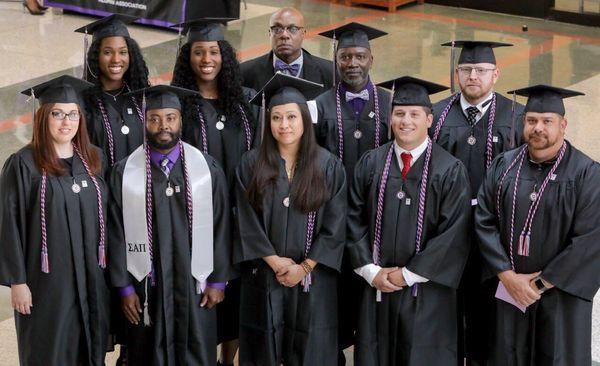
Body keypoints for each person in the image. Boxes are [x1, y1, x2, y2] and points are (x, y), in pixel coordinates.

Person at [348, 76, 471, 365]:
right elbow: (351, 217)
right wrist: (369, 270)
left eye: (415, 114)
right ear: (390, 119)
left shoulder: (450, 170)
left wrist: (407, 274)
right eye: (399, 113)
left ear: (429, 119)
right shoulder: (371, 162)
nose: (406, 121)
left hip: (426, 291)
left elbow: (454, 233)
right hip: (376, 286)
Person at [107, 85, 234, 365]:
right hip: (147, 287)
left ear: (180, 120)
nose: (163, 126)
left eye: (170, 118)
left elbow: (222, 226)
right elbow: (115, 233)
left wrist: (218, 280)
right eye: (154, 119)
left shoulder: (205, 170)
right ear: (145, 121)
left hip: (195, 284)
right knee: (146, 353)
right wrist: (125, 289)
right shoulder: (125, 173)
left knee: (196, 351)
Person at [475, 85, 600, 366]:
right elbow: (484, 220)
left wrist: (539, 284)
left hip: (559, 295)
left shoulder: (587, 173)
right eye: (532, 121)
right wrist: (507, 276)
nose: (538, 128)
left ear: (563, 125)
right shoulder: (503, 166)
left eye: (547, 121)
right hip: (508, 291)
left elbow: (591, 240)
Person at [235, 73, 346, 365]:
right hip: (265, 275)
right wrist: (274, 261)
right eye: (276, 118)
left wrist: (305, 267)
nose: (284, 125)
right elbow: (245, 219)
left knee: (311, 348)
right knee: (264, 346)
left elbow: (335, 225)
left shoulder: (328, 166)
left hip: (312, 279)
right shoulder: (251, 164)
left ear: (305, 120)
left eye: (291, 117)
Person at [0, 75, 110, 365]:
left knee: (88, 345)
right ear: (43, 118)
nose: (66, 122)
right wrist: (18, 282)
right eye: (57, 114)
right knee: (49, 347)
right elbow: (9, 223)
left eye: (72, 114)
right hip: (46, 281)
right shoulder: (23, 164)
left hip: (90, 277)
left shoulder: (94, 160)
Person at [170, 17, 260, 366]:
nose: (207, 59)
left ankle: (229, 360)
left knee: (237, 295)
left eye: (214, 51)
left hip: (240, 215)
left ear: (225, 56)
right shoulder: (180, 106)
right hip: (196, 219)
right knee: (205, 291)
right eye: (198, 52)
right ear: (187, 58)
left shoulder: (244, 105)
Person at [430, 40, 525, 365]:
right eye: (466, 69)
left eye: (481, 70)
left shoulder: (517, 115)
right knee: (447, 300)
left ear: (496, 74)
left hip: (494, 229)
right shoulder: (437, 114)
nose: (473, 76)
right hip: (446, 228)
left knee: (488, 302)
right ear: (457, 73)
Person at [313, 22, 389, 363]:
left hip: (379, 220)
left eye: (359, 56)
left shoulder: (391, 104)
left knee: (368, 289)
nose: (352, 63)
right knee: (333, 290)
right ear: (336, 59)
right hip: (329, 218)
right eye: (345, 56)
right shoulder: (318, 105)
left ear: (371, 58)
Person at [75, 14, 150, 167]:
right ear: (96, 56)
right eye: (108, 52)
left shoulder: (142, 96)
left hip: (141, 185)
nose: (116, 59)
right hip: (101, 185)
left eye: (123, 52)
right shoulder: (83, 101)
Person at [240, 7, 334, 100]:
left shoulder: (330, 72)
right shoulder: (245, 72)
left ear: (303, 34)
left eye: (293, 29)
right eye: (277, 29)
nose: (284, 35)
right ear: (270, 34)